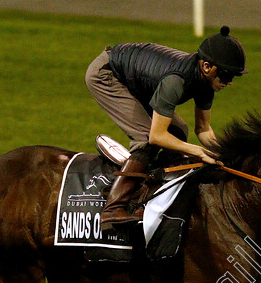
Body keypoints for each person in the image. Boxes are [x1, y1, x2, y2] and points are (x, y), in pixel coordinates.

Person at [85, 26, 247, 231]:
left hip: (137, 79)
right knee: (145, 139)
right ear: (207, 67)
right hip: (107, 74)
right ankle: (112, 210)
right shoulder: (176, 81)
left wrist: (223, 154)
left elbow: (203, 129)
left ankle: (153, 192)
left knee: (179, 131)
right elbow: (156, 137)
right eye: (226, 75)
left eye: (233, 77)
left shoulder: (206, 82)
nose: (229, 82)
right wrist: (198, 151)